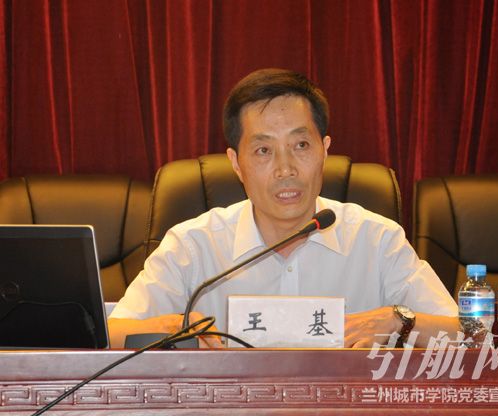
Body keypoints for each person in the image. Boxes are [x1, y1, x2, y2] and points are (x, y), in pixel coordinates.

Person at [108, 68, 458, 348]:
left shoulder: (377, 240)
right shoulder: (193, 246)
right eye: (263, 150)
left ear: (325, 150)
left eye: (301, 145)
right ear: (236, 163)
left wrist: (398, 320)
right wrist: (172, 328)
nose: (285, 169)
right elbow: (108, 334)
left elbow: (469, 335)